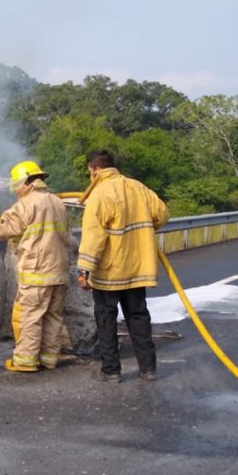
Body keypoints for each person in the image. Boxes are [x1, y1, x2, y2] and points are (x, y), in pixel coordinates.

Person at [0, 161, 70, 372]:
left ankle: (25, 361)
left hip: (37, 271)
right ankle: (49, 358)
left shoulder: (28, 204)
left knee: (30, 317)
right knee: (52, 316)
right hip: (59, 271)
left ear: (27, 181)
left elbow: (4, 227)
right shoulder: (56, 202)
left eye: (17, 185)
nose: (16, 191)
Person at [76, 149, 169, 382]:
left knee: (106, 319)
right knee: (138, 317)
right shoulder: (138, 187)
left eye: (90, 172)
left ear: (95, 169)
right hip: (137, 268)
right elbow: (162, 214)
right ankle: (148, 369)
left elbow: (93, 236)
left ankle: (111, 371)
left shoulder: (99, 194)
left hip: (109, 272)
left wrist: (84, 269)